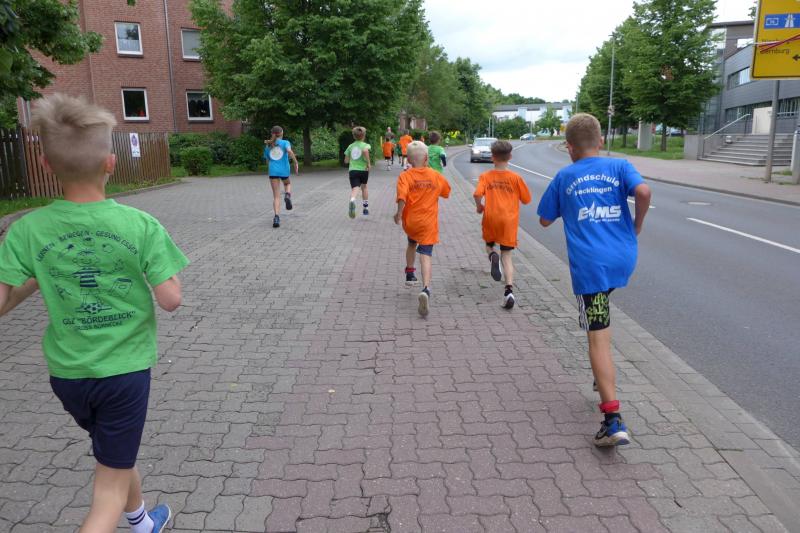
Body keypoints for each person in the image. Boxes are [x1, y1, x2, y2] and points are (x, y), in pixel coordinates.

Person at [0, 93, 188, 532]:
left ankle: (143, 522)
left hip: (68, 376)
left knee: (113, 454)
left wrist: (42, 273)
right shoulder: (139, 225)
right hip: (123, 374)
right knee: (106, 495)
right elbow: (170, 299)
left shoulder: (26, 230)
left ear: (45, 164)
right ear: (111, 163)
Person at [537, 113, 651, 447]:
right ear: (601, 141)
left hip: (591, 266)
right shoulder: (620, 166)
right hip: (623, 258)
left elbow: (543, 220)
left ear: (569, 147)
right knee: (600, 311)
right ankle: (600, 378)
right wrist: (636, 224)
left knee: (597, 335)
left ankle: (612, 420)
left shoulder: (565, 175)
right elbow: (643, 191)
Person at [394, 141, 451, 316]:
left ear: (409, 160)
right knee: (425, 254)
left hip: (411, 222)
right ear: (426, 158)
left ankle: (410, 273)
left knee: (412, 243)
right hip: (428, 223)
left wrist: (398, 214)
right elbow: (446, 192)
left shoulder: (405, 176)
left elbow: (402, 196)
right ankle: (425, 288)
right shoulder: (435, 175)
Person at [473, 140, 531, 309]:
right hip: (509, 221)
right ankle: (509, 291)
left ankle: (492, 255)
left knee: (489, 245)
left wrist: (479, 206)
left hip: (491, 217)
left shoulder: (485, 176)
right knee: (507, 255)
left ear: (492, 157)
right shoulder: (516, 178)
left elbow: (477, 194)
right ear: (510, 157)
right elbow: (527, 200)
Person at [264, 125, 299, 228]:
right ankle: (287, 195)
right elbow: (289, 151)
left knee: (276, 196)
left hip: (273, 171)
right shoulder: (285, 143)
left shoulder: (268, 146)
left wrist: (271, 168)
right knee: (287, 184)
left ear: (272, 134)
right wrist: (295, 162)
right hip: (284, 170)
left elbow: (267, 161)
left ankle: (276, 218)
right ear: (282, 133)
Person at [344, 126, 371, 218]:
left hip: (353, 170)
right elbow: (365, 151)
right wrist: (368, 163)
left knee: (355, 188)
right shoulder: (365, 145)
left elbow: (346, 161)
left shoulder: (350, 146)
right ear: (364, 135)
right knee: (364, 187)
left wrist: (351, 159)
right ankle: (365, 208)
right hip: (363, 170)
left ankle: (352, 200)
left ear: (354, 136)